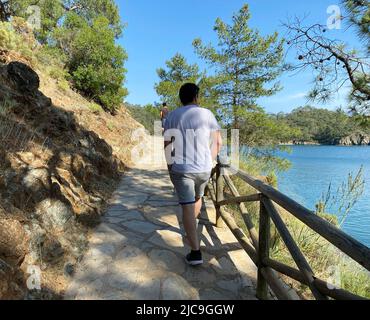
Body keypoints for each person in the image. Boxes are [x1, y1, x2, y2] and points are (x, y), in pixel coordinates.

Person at [163, 83, 222, 266]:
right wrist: (210, 161)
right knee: (198, 199)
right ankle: (192, 231)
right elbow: (218, 142)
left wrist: (169, 164)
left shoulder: (172, 116)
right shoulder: (207, 114)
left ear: (181, 98)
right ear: (196, 96)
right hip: (204, 169)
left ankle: (195, 252)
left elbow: (167, 144)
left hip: (182, 169)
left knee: (188, 207)